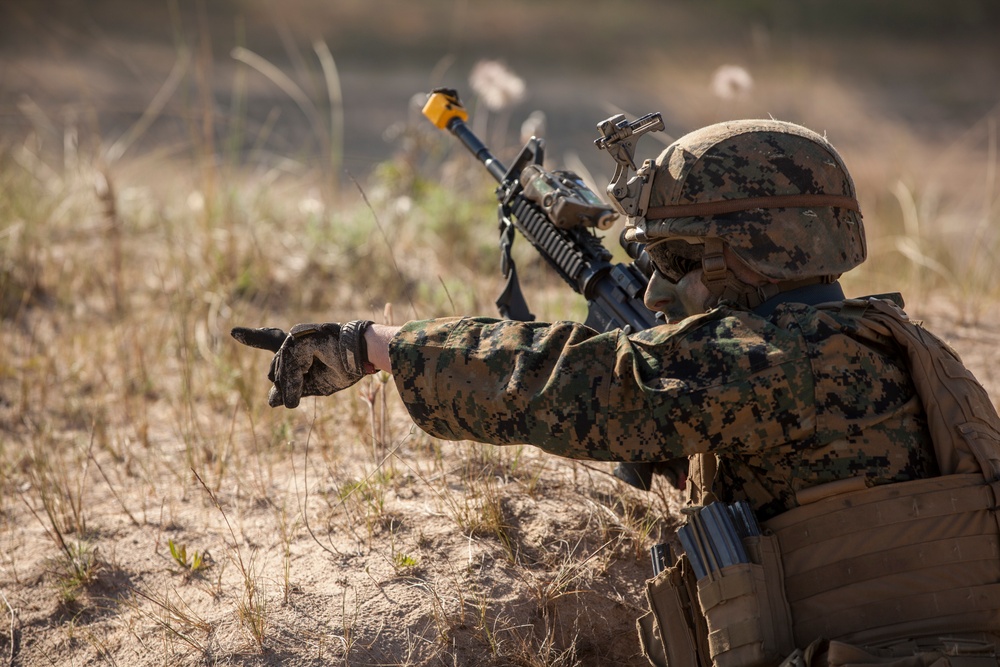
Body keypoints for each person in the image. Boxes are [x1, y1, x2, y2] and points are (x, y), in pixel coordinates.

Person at [234, 120, 1000, 667]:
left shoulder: (778, 358)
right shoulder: (889, 342)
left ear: (753, 249)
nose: (660, 289)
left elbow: (579, 381)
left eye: (678, 259)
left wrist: (376, 346)